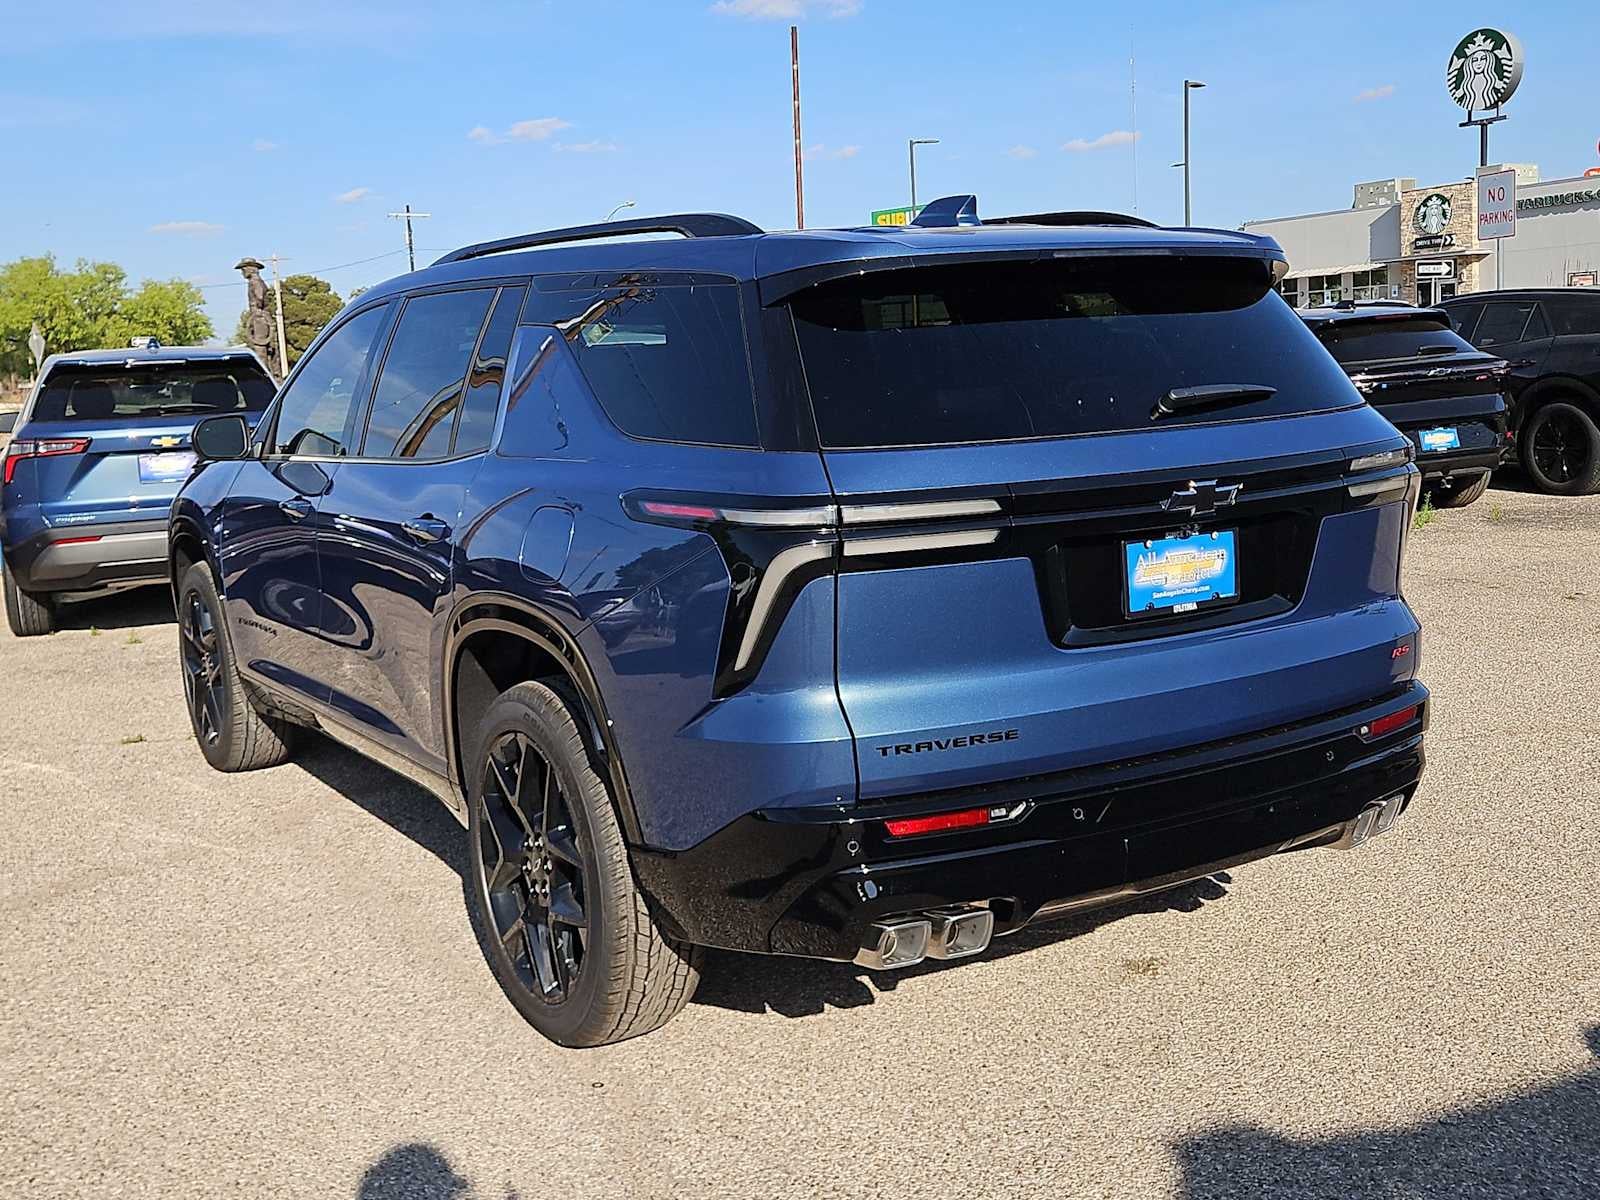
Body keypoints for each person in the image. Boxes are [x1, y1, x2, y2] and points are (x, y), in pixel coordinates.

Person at [235, 257, 282, 379]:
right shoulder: (256, 281)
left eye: (243, 269)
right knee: (264, 347)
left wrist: (257, 309)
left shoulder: (255, 282)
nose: (242, 272)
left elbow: (259, 296)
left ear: (250, 269)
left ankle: (264, 374)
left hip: (260, 318)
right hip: (260, 317)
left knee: (260, 347)